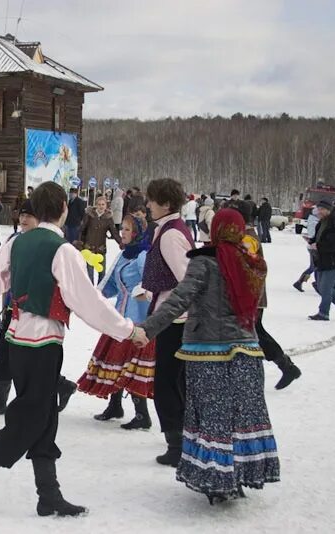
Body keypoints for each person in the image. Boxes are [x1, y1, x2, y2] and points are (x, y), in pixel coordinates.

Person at [0, 181, 148, 518]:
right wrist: (128, 329)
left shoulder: (17, 243)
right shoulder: (61, 250)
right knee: (31, 420)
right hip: (43, 344)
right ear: (63, 208)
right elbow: (87, 302)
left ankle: (49, 495)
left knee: (44, 418)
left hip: (17, 340)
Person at [136, 208, 280, 504]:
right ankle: (237, 476)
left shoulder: (204, 262)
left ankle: (216, 480)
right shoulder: (251, 262)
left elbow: (179, 299)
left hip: (208, 354)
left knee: (212, 416)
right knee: (239, 417)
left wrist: (147, 329)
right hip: (247, 353)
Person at [0, 199, 77, 418]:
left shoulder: (50, 244)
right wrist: (4, 306)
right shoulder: (14, 240)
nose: (23, 219)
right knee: (3, 354)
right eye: (21, 215)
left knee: (33, 361)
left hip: (35, 311)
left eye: (29, 215)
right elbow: (3, 277)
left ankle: (58, 386)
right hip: (13, 308)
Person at [77, 214, 155, 430]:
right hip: (120, 317)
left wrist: (141, 291)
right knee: (116, 361)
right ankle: (115, 405)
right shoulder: (124, 255)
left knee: (132, 365)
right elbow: (110, 284)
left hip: (139, 320)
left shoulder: (142, 255)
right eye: (123, 229)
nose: (123, 233)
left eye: (128, 230)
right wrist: (90, 294)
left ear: (138, 233)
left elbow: (151, 285)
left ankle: (142, 414)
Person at [142, 178, 194, 467]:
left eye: (152, 200)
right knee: (173, 379)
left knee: (167, 381)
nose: (148, 205)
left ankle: (177, 443)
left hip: (177, 319)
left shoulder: (172, 235)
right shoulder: (166, 229)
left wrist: (170, 310)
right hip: (173, 315)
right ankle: (181, 437)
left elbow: (187, 280)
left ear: (167, 204)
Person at [235, 201, 302, 389]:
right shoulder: (245, 235)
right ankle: (286, 366)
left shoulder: (248, 238)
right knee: (255, 334)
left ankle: (285, 366)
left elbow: (246, 267)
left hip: (251, 296)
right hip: (251, 296)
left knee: (254, 335)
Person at [76, 195, 121, 284]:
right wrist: (80, 242)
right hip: (89, 249)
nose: (101, 206)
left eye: (103, 204)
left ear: (106, 206)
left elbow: (114, 233)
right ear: (96, 205)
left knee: (102, 273)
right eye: (99, 204)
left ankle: (100, 292)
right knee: (89, 273)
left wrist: (122, 243)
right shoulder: (89, 215)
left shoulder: (108, 218)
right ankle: (90, 292)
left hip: (101, 249)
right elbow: (82, 229)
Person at [308, 200, 335, 320]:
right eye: (318, 209)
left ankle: (323, 313)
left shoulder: (334, 222)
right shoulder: (322, 222)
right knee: (321, 287)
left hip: (333, 260)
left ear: (328, 210)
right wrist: (311, 241)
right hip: (321, 259)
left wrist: (319, 246)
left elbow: (334, 244)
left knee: (326, 288)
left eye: (321, 209)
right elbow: (318, 237)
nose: (319, 212)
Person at [293, 206, 320, 291]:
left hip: (314, 246)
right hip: (314, 247)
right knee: (314, 267)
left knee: (315, 266)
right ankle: (300, 282)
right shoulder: (314, 222)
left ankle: (315, 283)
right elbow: (313, 234)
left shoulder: (314, 220)